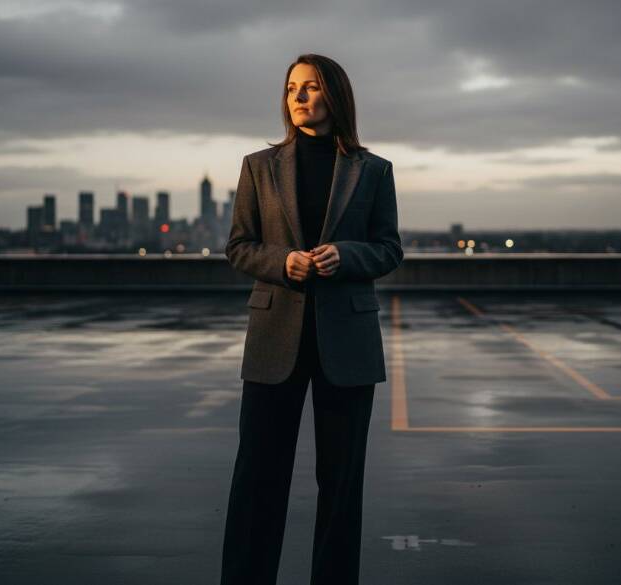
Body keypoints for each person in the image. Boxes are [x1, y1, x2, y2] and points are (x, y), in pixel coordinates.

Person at [220, 53, 403, 585]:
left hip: (346, 345)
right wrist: (282, 262)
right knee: (257, 480)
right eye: (291, 88)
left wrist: (347, 256)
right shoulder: (259, 166)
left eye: (311, 87)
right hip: (275, 339)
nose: (298, 97)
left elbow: (389, 249)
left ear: (335, 96)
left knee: (341, 486)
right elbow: (238, 247)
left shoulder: (373, 170)